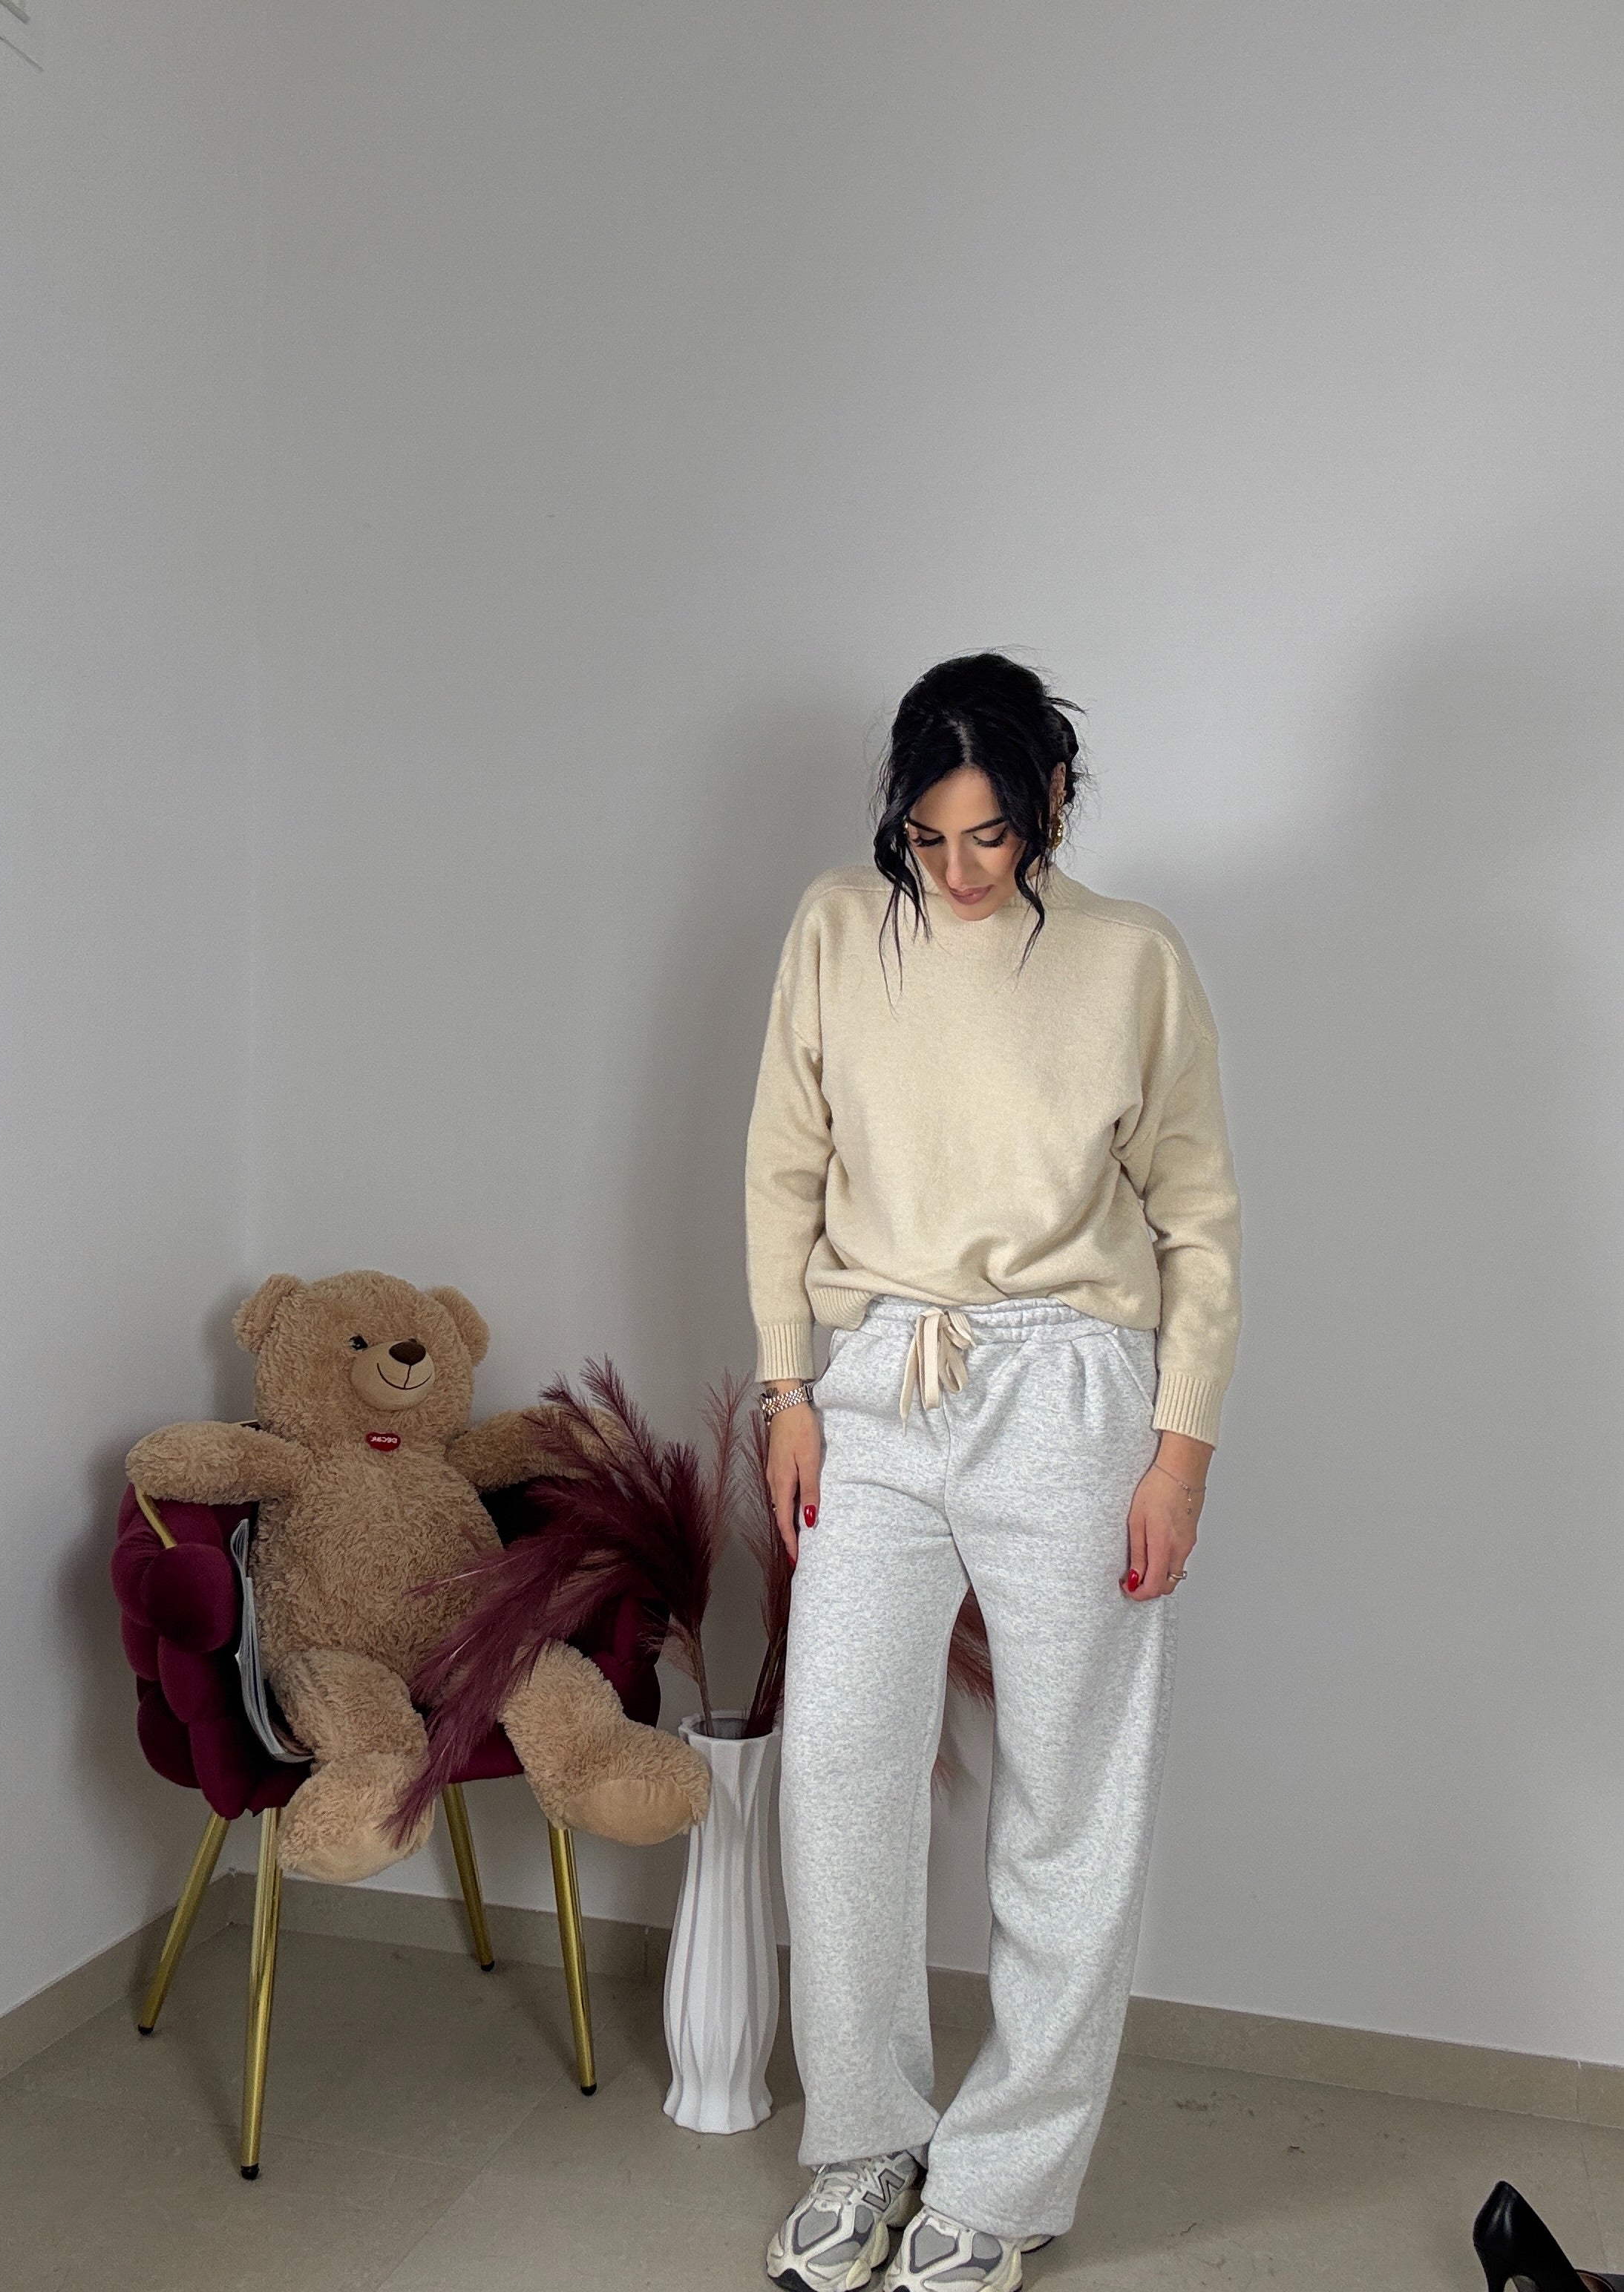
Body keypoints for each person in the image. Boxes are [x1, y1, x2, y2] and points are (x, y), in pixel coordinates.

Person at [746, 652, 1242, 2292]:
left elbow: (1197, 1217)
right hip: (879, 1379)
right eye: (929, 837)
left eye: (992, 837)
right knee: (841, 1771)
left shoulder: (1131, 958)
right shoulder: (839, 927)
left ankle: (1006, 2177)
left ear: (1053, 807)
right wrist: (789, 1388)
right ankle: (864, 2137)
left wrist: (1180, 1450)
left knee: (1069, 1799)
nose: (960, 873)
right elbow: (784, 1164)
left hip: (1072, 1384)